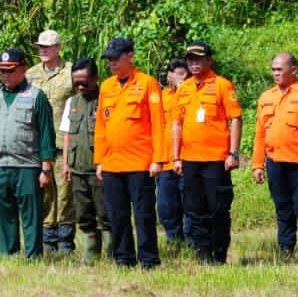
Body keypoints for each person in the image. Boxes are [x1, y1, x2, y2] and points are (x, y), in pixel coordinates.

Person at [0, 48, 55, 259]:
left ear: (23, 69)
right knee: (4, 215)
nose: (6, 76)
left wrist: (46, 169)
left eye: (10, 71)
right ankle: (9, 255)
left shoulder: (36, 96)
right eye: (2, 71)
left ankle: (33, 257)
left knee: (32, 216)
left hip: (27, 166)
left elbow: (47, 135)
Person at [95, 37, 165, 269]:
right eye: (109, 59)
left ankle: (148, 260)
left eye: (116, 58)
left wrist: (158, 159)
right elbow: (101, 127)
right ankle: (123, 258)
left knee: (144, 215)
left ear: (130, 56)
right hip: (112, 163)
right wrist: (99, 160)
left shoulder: (147, 83)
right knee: (117, 214)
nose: (112, 63)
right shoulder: (106, 86)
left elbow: (158, 123)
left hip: (140, 162)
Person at [172, 40, 243, 265]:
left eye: (199, 58)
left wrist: (233, 153)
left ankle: (219, 254)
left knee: (218, 209)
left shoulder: (222, 85)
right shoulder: (183, 88)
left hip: (216, 160)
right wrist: (176, 157)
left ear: (209, 60)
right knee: (195, 210)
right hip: (190, 159)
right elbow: (177, 124)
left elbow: (236, 119)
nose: (194, 63)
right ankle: (203, 255)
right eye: (190, 59)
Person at [251, 52, 298, 261]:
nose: (275, 73)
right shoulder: (266, 97)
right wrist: (257, 164)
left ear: (293, 70)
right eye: (273, 69)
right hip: (275, 161)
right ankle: (286, 247)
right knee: (282, 206)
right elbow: (260, 133)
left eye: (279, 69)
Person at [27, 29, 76, 255]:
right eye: (40, 47)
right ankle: (48, 240)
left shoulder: (72, 72)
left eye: (47, 47)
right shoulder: (30, 75)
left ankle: (66, 240)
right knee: (45, 192)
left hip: (65, 140)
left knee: (66, 192)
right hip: (38, 144)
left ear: (58, 47)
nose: (43, 51)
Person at [59, 58, 108, 263]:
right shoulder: (72, 102)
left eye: (84, 82)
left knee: (106, 213)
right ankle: (91, 256)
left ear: (95, 78)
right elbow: (68, 135)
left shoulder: (105, 99)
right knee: (83, 213)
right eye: (76, 82)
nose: (80, 86)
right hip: (78, 167)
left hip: (99, 167)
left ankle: (112, 251)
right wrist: (65, 164)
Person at [156, 59, 190, 244]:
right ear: (169, 76)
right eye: (176, 74)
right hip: (165, 161)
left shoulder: (191, 95)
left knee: (190, 205)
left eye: (183, 75)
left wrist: (183, 88)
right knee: (166, 206)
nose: (179, 79)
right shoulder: (161, 97)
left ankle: (192, 242)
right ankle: (174, 241)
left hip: (187, 159)